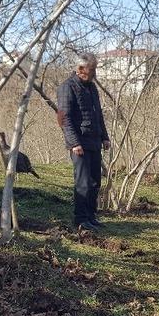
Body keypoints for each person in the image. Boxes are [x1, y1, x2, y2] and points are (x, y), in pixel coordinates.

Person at [57, 52, 110, 231]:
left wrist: (105, 136)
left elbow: (98, 115)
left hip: (94, 142)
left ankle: (91, 216)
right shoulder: (67, 87)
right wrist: (74, 143)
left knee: (95, 182)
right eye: (92, 69)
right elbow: (64, 118)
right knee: (83, 183)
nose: (95, 72)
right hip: (79, 144)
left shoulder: (92, 88)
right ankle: (80, 219)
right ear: (80, 69)